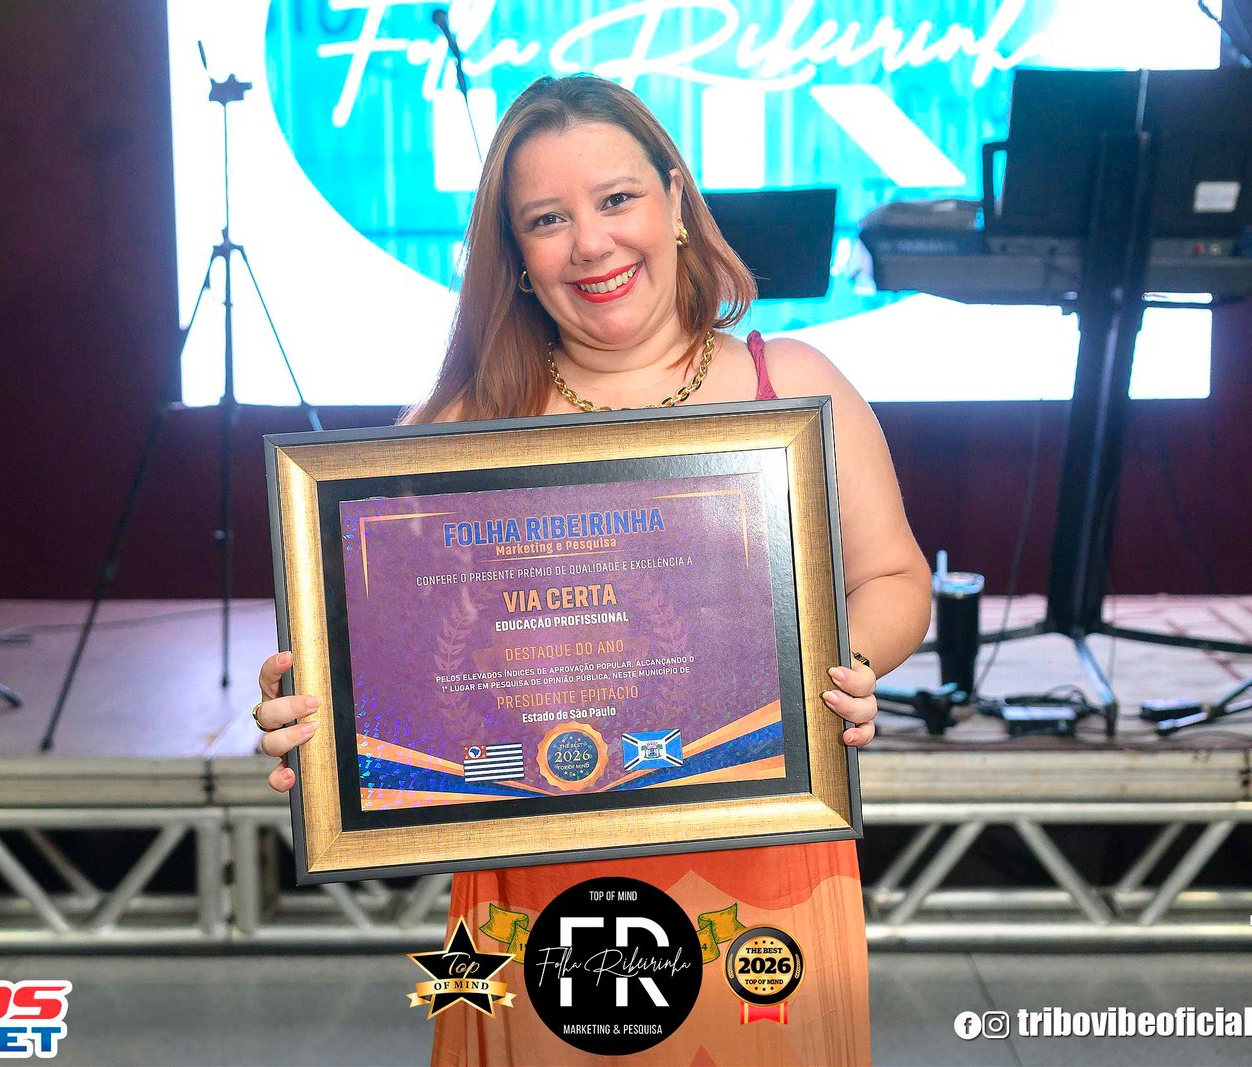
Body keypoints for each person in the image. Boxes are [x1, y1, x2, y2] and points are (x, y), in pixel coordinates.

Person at [253, 75, 931, 1066]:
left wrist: (846, 668)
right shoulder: (456, 429)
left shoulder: (792, 383)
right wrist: (315, 716)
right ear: (517, 255)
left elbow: (895, 579)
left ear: (674, 198)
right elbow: (380, 658)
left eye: (617, 199)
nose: (591, 243)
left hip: (764, 864)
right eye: (547, 219)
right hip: (539, 881)